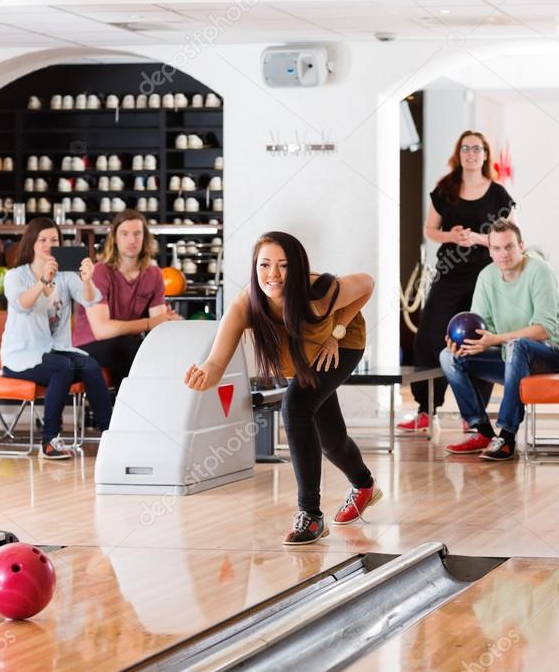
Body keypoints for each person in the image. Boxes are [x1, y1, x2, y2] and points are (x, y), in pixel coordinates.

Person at [184, 231, 381, 545]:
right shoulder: (245, 304)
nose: (272, 274)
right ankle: (364, 485)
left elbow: (367, 284)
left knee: (296, 406)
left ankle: (310, 515)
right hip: (304, 355)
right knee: (331, 439)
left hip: (340, 346)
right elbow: (216, 362)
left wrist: (337, 330)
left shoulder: (319, 293)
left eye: (283, 266)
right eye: (264, 265)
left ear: (298, 268)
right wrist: (205, 375)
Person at [400, 130, 517, 432]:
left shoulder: (498, 194)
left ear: (485, 154)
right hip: (449, 275)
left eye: (477, 149)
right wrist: (450, 236)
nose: (471, 153)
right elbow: (430, 230)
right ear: (459, 153)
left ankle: (472, 414)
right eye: (465, 148)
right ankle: (426, 410)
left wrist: (479, 238)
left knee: (477, 341)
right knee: (429, 336)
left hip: (484, 276)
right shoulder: (445, 189)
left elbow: (512, 236)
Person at [441, 219, 559, 460]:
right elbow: (482, 329)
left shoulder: (539, 270)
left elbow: (544, 329)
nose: (503, 254)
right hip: (512, 356)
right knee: (449, 356)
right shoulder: (486, 277)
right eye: (496, 248)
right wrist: (463, 344)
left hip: (554, 354)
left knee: (518, 345)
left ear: (521, 246)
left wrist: (497, 339)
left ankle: (506, 436)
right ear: (490, 250)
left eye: (509, 247)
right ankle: (483, 431)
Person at [0, 218, 112, 459]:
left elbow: (90, 299)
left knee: (90, 366)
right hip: (22, 355)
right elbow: (22, 305)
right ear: (31, 243)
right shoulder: (15, 276)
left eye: (54, 240)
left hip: (55, 350)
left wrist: (87, 279)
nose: (49, 244)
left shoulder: (64, 275)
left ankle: (109, 434)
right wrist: (43, 280)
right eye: (43, 240)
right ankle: (49, 441)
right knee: (64, 367)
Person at [73, 210, 181, 391]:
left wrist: (169, 322)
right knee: (126, 347)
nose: (132, 240)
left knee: (157, 348)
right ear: (114, 238)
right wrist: (149, 322)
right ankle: (125, 411)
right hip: (86, 347)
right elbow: (102, 330)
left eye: (137, 234)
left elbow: (159, 323)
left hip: (124, 345)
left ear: (145, 238)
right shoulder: (100, 272)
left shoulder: (153, 274)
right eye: (125, 234)